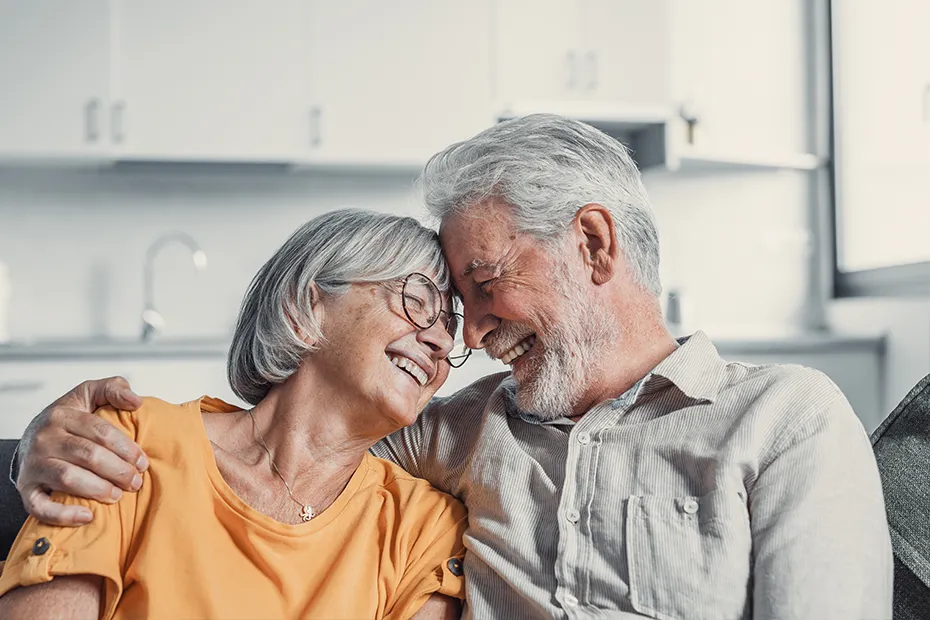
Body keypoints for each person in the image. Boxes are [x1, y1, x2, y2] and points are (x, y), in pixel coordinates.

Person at [8, 114, 892, 619]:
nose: (461, 334)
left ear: (591, 243)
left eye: (478, 284)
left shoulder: (786, 418)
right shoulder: (451, 433)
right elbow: (290, 440)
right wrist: (42, 443)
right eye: (435, 302)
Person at [0, 209, 470, 619]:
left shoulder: (424, 529)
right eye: (416, 301)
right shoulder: (129, 444)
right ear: (305, 308)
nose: (442, 342)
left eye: (450, 326)